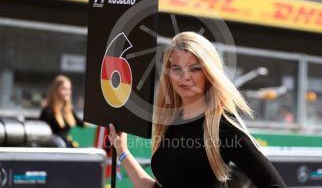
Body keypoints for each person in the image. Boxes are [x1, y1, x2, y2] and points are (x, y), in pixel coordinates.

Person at [108, 32, 286, 187]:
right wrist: (122, 151)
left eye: (194, 69)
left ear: (208, 72)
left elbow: (274, 184)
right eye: (176, 68)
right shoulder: (170, 121)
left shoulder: (221, 125)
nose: (184, 77)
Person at [39, 75, 84, 147]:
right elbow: (42, 133)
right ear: (55, 90)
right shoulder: (48, 111)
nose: (68, 92)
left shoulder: (68, 110)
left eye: (69, 89)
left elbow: (81, 123)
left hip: (67, 145)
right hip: (57, 148)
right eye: (64, 89)